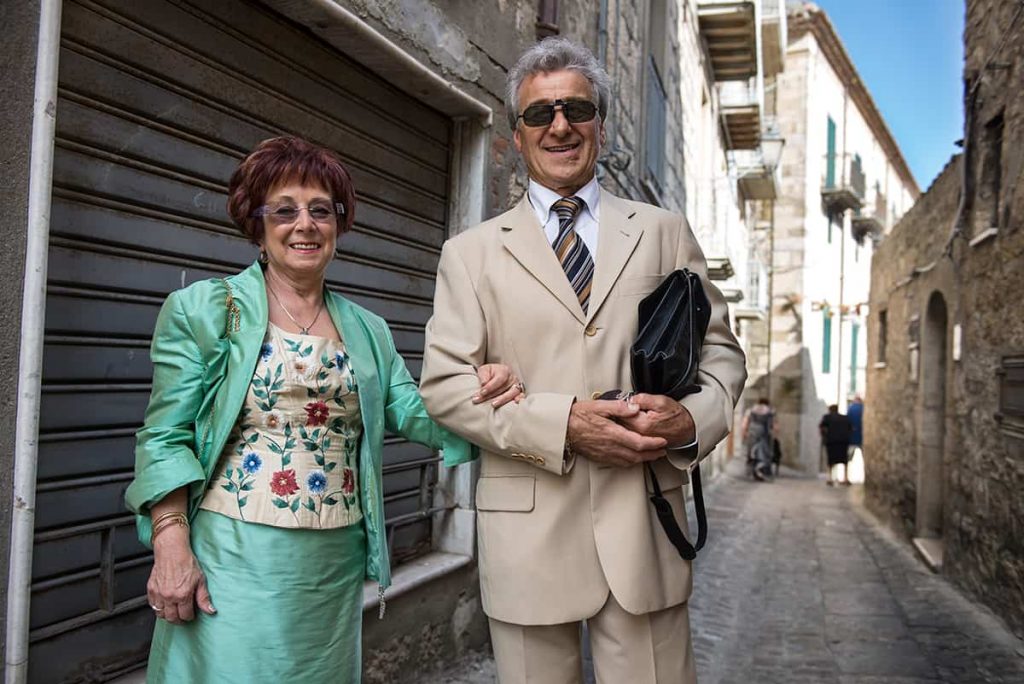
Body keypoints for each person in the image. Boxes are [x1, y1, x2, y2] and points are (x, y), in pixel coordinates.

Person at [124, 136, 523, 683]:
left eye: (321, 210)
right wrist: (170, 542)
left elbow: (418, 413)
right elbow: (165, 436)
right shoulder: (207, 310)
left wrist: (480, 387)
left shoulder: (368, 329)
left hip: (331, 563)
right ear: (257, 224)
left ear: (339, 223)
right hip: (233, 555)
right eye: (284, 210)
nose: (305, 224)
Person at [419, 38, 747, 684]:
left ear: (599, 121)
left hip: (645, 527)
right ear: (516, 136)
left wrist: (688, 421)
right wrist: (563, 423)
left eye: (576, 108)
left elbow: (723, 358)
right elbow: (446, 386)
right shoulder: (471, 253)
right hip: (529, 537)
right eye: (540, 114)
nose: (560, 126)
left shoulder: (663, 232)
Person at [741, 398, 776, 481]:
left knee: (751, 452)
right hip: (763, 433)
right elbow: (774, 425)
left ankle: (751, 469)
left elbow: (745, 422)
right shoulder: (769, 411)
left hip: (752, 432)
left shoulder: (751, 409)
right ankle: (762, 471)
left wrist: (744, 432)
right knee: (763, 452)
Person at [819, 404, 853, 486]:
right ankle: (846, 478)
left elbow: (822, 427)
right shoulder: (845, 418)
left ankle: (830, 478)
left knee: (831, 460)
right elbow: (851, 428)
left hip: (831, 441)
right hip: (843, 442)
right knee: (844, 460)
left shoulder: (827, 417)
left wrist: (824, 437)